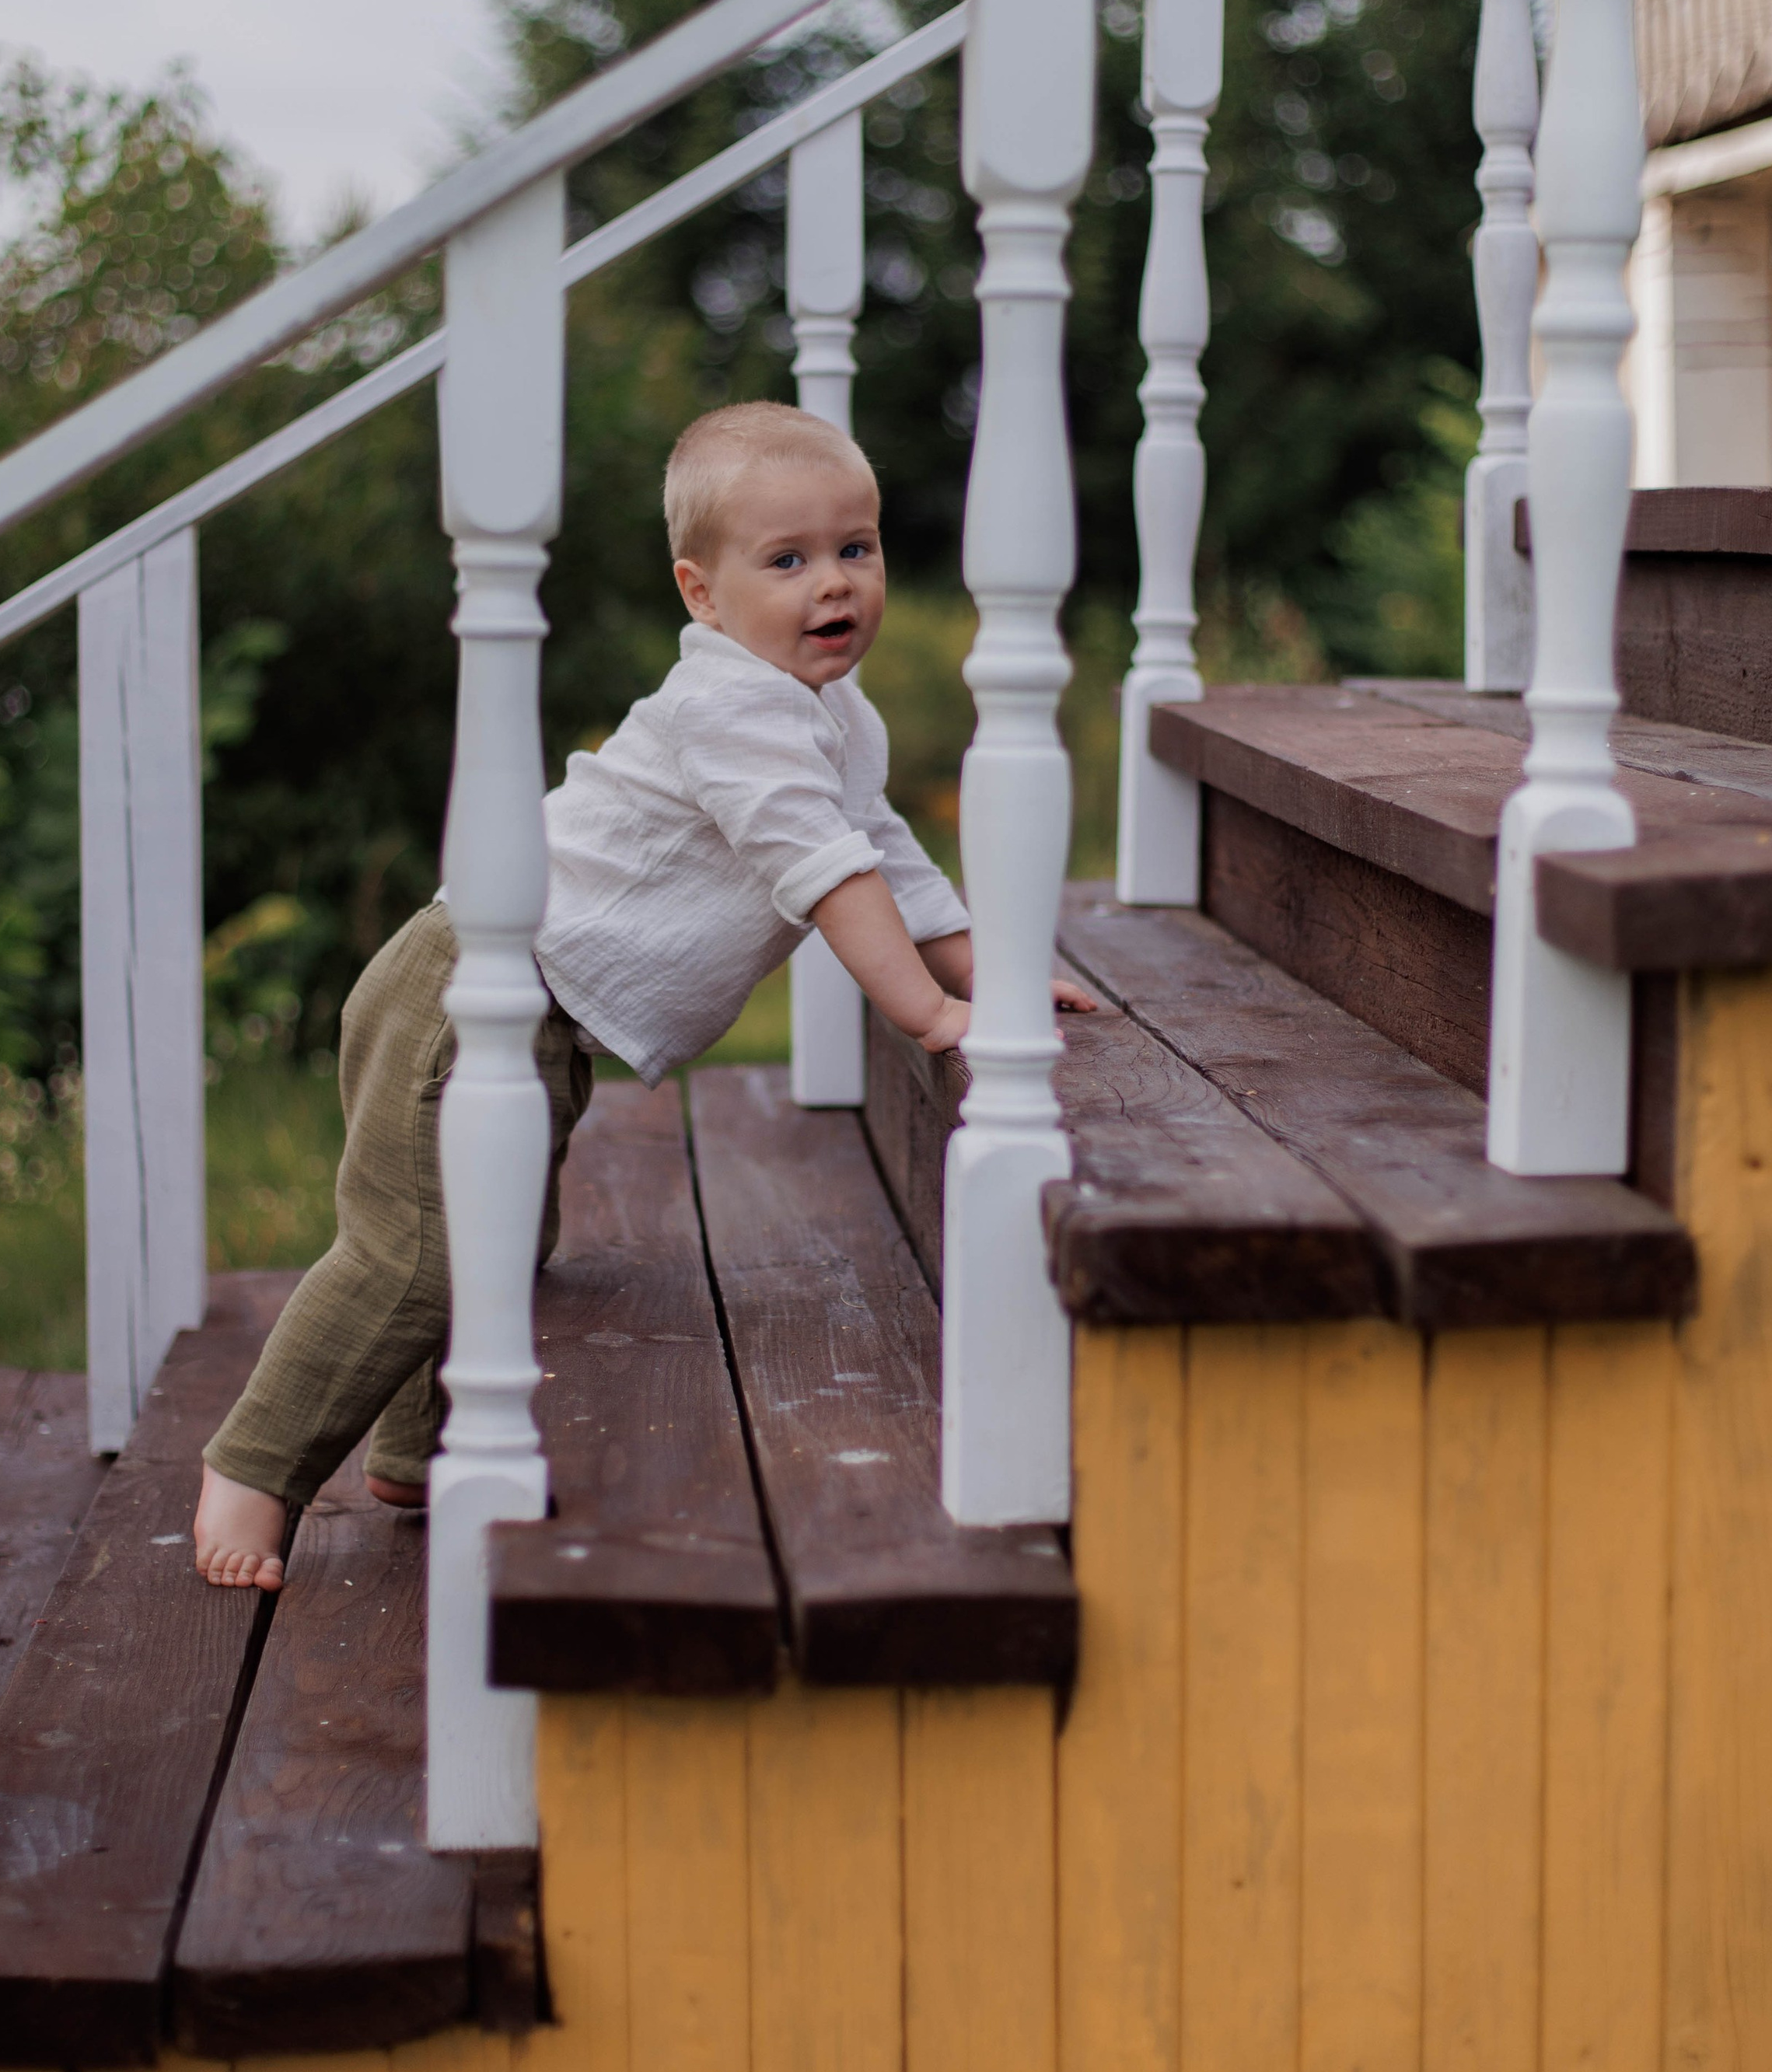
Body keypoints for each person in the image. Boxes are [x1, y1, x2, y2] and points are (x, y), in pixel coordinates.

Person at [193, 400, 1096, 1587]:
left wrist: (993, 965)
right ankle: (250, 1479)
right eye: (788, 561)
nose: (834, 585)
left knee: (496, 1234)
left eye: (855, 550)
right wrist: (927, 1017)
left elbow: (882, 849)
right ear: (702, 593)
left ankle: (411, 1453)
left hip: (538, 1010)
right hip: (464, 992)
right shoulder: (733, 709)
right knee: (417, 1255)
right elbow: (828, 872)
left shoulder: (832, 713)